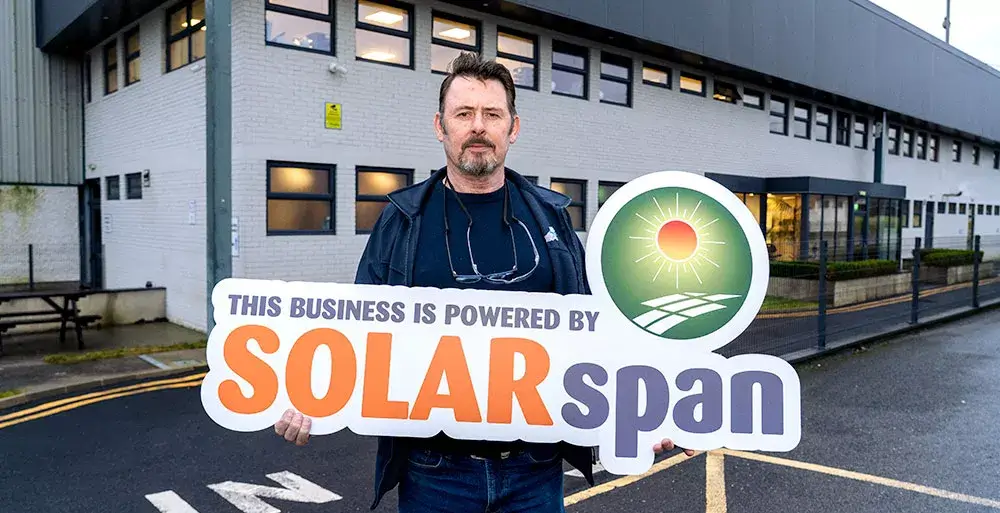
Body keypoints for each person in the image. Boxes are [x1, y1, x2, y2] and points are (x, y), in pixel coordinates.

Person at [273, 51, 694, 512]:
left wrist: (649, 411)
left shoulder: (552, 219)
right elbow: (355, 329)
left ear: (513, 128)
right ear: (441, 126)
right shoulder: (401, 222)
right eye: (464, 113)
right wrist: (309, 391)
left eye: (492, 114)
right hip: (435, 471)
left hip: (535, 468)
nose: (478, 126)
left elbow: (597, 330)